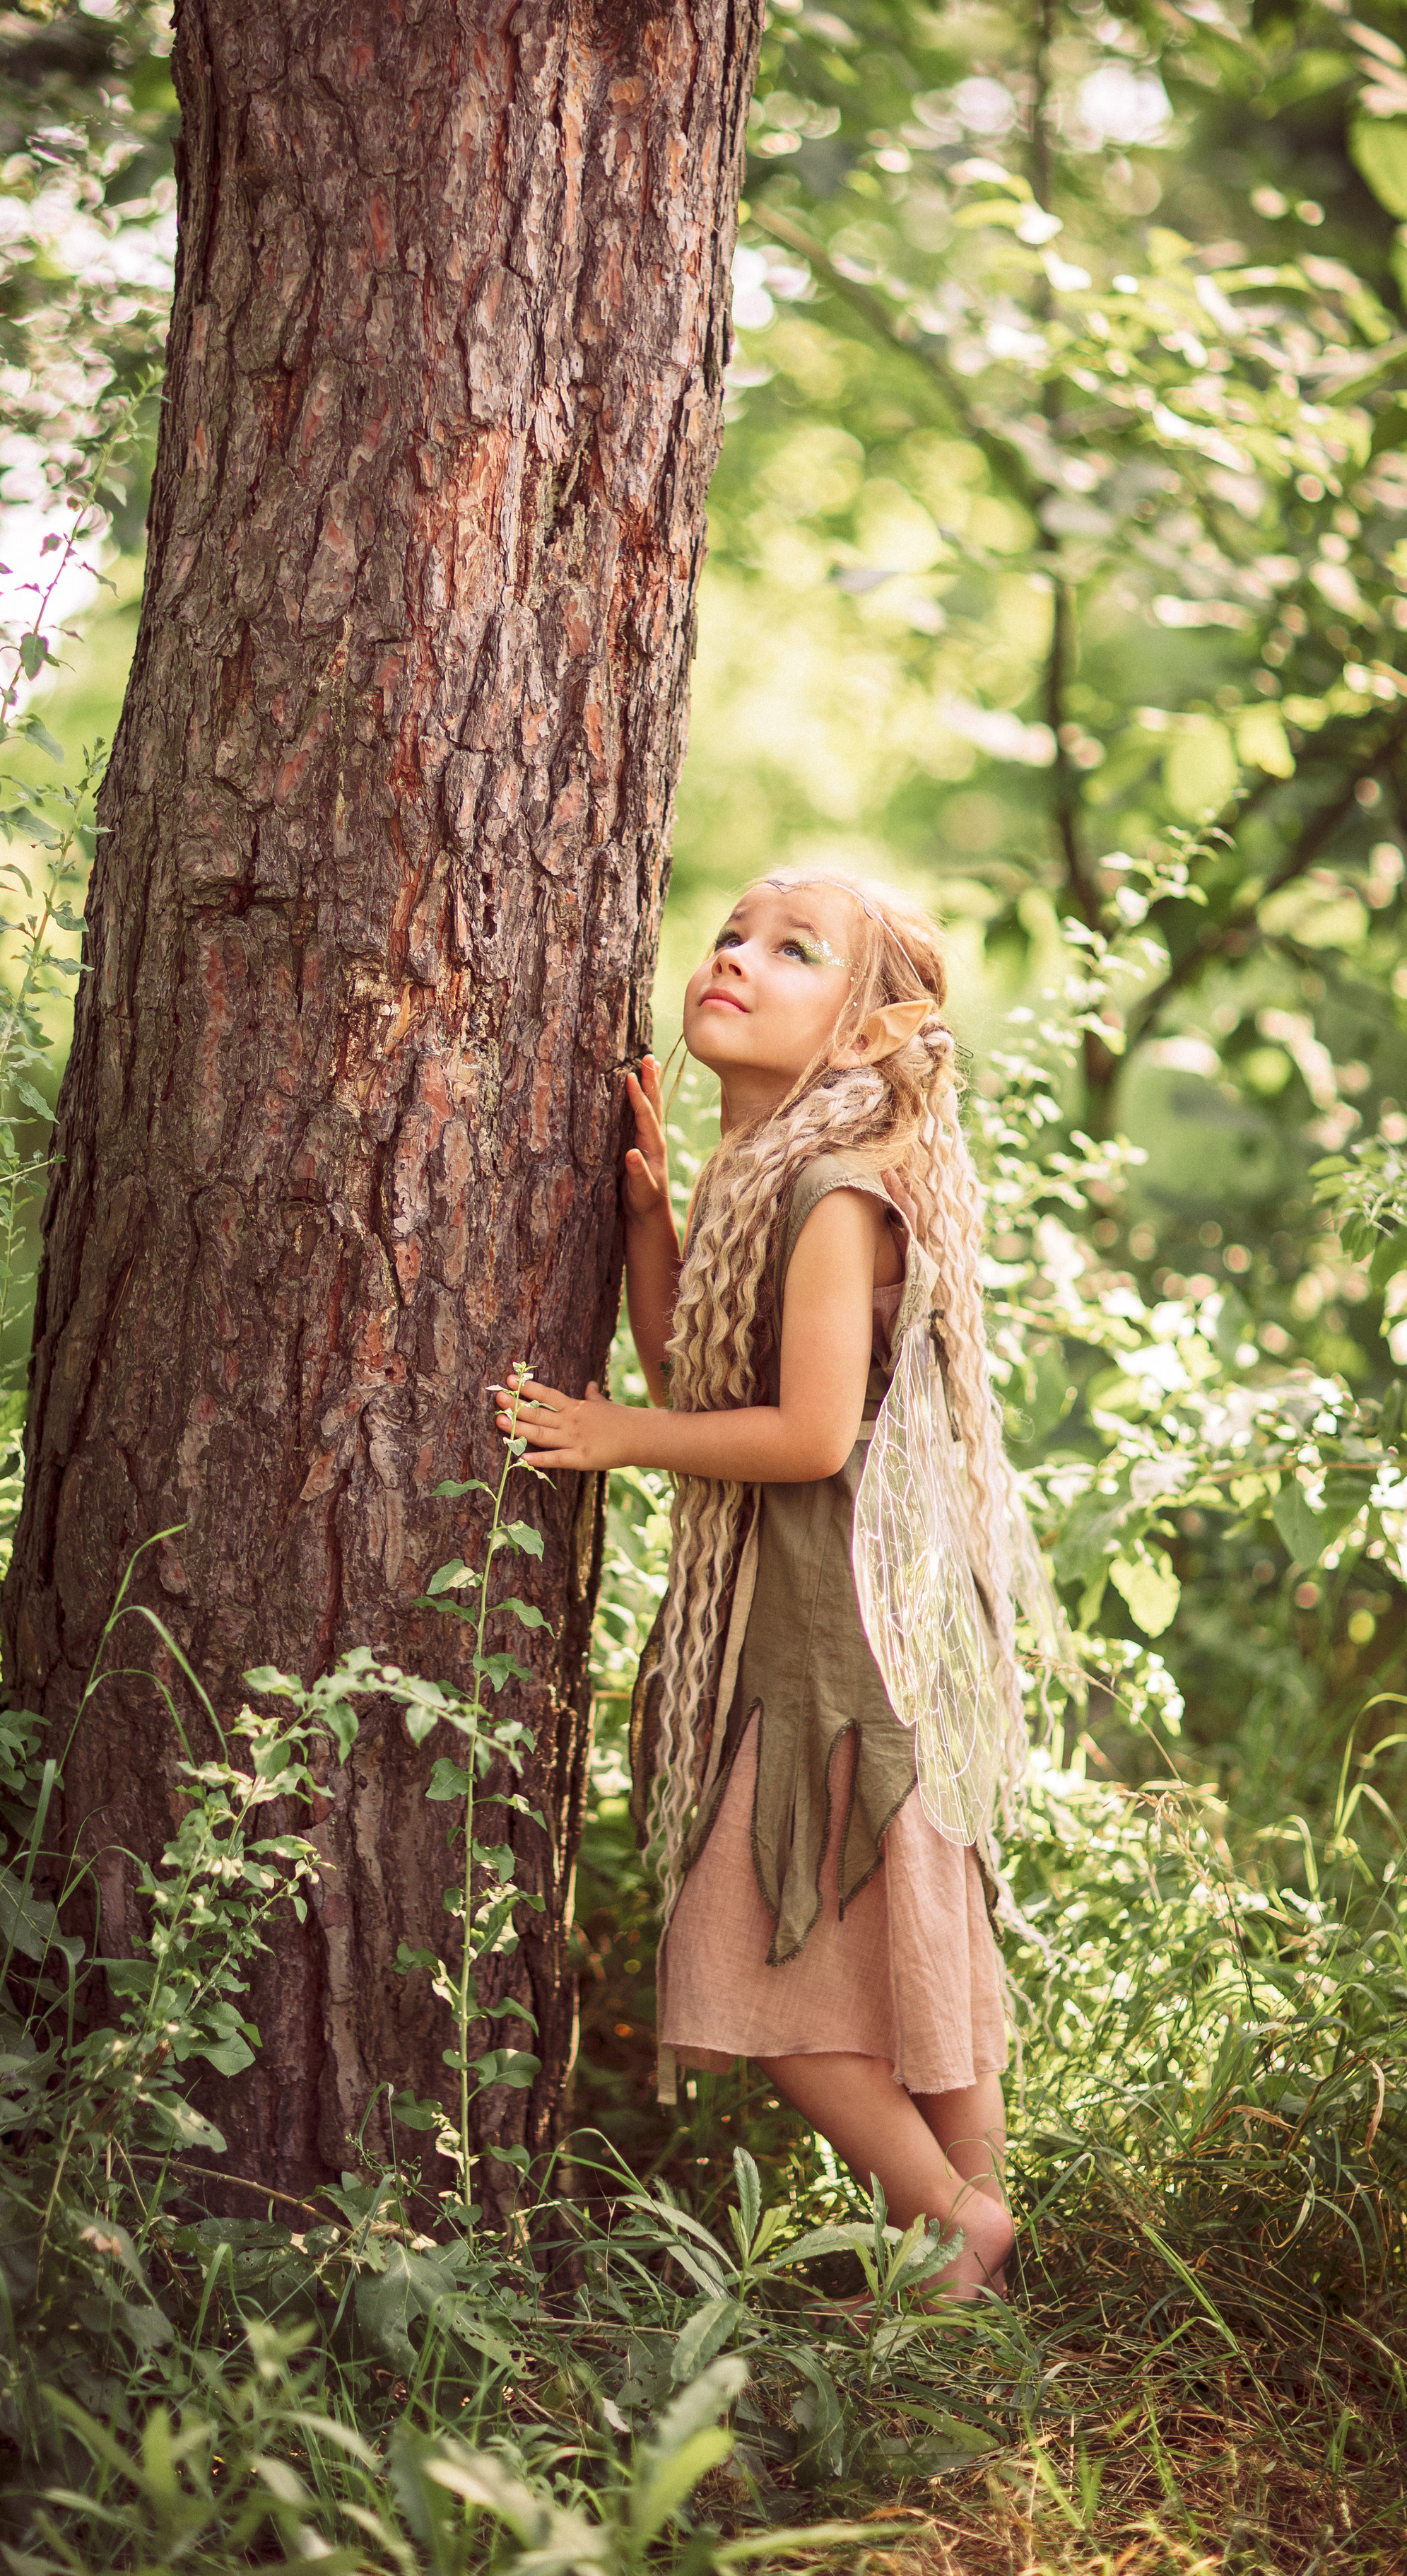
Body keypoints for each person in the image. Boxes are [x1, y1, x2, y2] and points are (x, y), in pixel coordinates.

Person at [493, 869, 1069, 2302]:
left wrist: (610, 1438)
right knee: (897, 1954)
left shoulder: (833, 1191)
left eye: (792, 949)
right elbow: (714, 1382)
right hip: (835, 1621)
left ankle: (953, 2222)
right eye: (732, 936)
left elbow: (803, 1435)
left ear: (870, 1032)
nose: (735, 958)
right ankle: (973, 2290)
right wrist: (646, 1234)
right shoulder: (771, 1177)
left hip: (830, 1638)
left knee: (747, 1952)